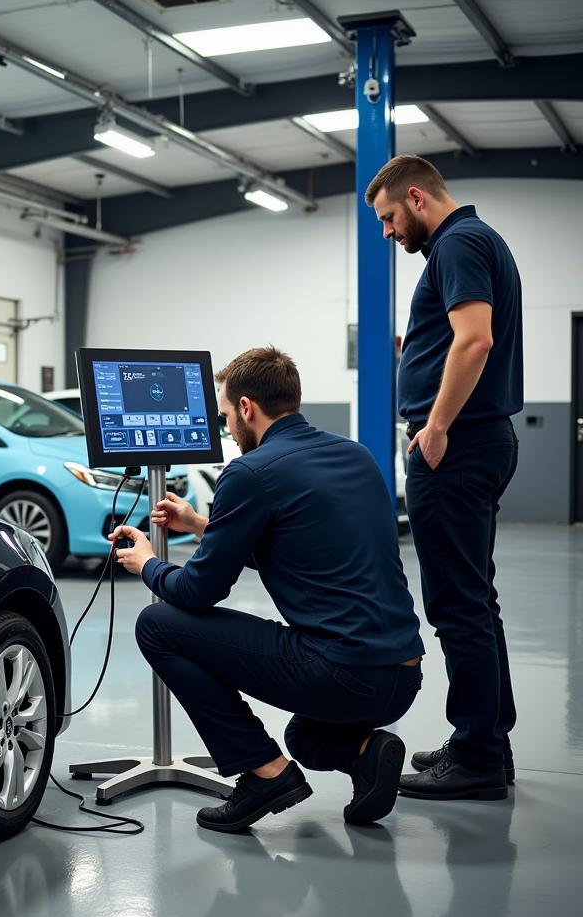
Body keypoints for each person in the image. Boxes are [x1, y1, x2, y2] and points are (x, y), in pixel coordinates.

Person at [110, 347, 424, 832]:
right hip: (402, 677)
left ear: (248, 408)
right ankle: (367, 753)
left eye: (226, 416)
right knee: (306, 737)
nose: (228, 430)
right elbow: (300, 545)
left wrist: (148, 563)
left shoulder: (249, 472)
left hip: (341, 673)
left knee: (157, 624)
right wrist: (201, 525)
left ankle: (265, 775)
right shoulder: (355, 454)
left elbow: (196, 593)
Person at [366, 154, 521, 801]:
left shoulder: (458, 243)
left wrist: (434, 427)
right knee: (473, 601)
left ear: (416, 198)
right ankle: (481, 739)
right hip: (475, 441)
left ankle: (480, 756)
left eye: (388, 218)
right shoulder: (472, 242)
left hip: (457, 448)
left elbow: (475, 340)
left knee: (457, 606)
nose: (387, 232)